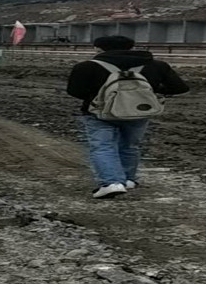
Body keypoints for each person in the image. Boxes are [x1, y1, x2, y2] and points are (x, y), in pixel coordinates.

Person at [66, 35, 189, 199]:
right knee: (130, 146)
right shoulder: (157, 65)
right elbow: (180, 87)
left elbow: (74, 91)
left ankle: (112, 183)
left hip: (99, 113)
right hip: (137, 112)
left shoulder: (86, 67)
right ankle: (129, 179)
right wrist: (149, 93)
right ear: (131, 47)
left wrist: (98, 97)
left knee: (103, 147)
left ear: (99, 48)